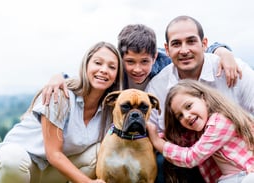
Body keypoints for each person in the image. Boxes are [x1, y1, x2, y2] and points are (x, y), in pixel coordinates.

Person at [41, 24, 241, 183]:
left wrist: (222, 51)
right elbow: (88, 75)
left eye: (145, 61)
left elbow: (189, 49)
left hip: (159, 141)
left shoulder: (163, 65)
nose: (137, 69)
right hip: (119, 139)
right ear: (120, 58)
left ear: (155, 56)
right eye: (130, 62)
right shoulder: (111, 71)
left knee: (163, 163)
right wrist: (61, 77)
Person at [0, 41, 124, 183]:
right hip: (21, 164)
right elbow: (53, 153)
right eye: (98, 63)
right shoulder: (60, 95)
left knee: (100, 152)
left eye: (112, 67)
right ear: (86, 66)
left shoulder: (111, 110)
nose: (104, 70)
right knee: (11, 160)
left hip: (51, 172)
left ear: (116, 75)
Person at [145, 15, 254, 182]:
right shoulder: (157, 86)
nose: (184, 50)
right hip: (204, 168)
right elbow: (153, 131)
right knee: (161, 160)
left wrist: (222, 50)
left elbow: (190, 156)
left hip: (243, 167)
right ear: (167, 50)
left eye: (191, 41)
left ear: (204, 44)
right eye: (176, 44)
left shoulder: (233, 70)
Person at [146, 79, 254, 183]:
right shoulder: (200, 129)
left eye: (188, 106)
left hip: (243, 175)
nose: (186, 116)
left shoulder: (220, 122)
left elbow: (190, 158)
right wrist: (151, 135)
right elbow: (179, 139)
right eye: (180, 116)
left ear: (203, 98)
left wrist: (157, 142)